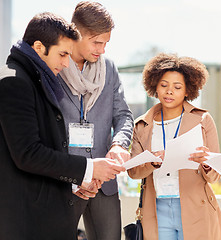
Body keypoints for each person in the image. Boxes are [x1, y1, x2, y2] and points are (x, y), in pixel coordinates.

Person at [0, 12, 123, 240]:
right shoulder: (14, 81)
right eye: (62, 54)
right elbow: (28, 154)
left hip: (42, 207)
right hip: (26, 220)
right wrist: (89, 169)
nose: (67, 63)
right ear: (39, 47)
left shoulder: (33, 79)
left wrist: (77, 182)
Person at [128, 53, 221, 240]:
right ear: (155, 87)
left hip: (195, 207)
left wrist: (206, 163)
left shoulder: (202, 120)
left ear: (187, 90)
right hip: (156, 209)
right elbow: (133, 172)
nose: (169, 91)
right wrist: (153, 163)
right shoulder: (142, 125)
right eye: (164, 85)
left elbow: (215, 174)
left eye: (177, 87)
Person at [57, 1, 134, 240]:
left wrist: (119, 144)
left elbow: (123, 115)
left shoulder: (109, 69)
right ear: (75, 33)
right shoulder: (55, 67)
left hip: (104, 181)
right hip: (64, 179)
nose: (102, 50)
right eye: (96, 42)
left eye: (106, 43)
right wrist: (73, 177)